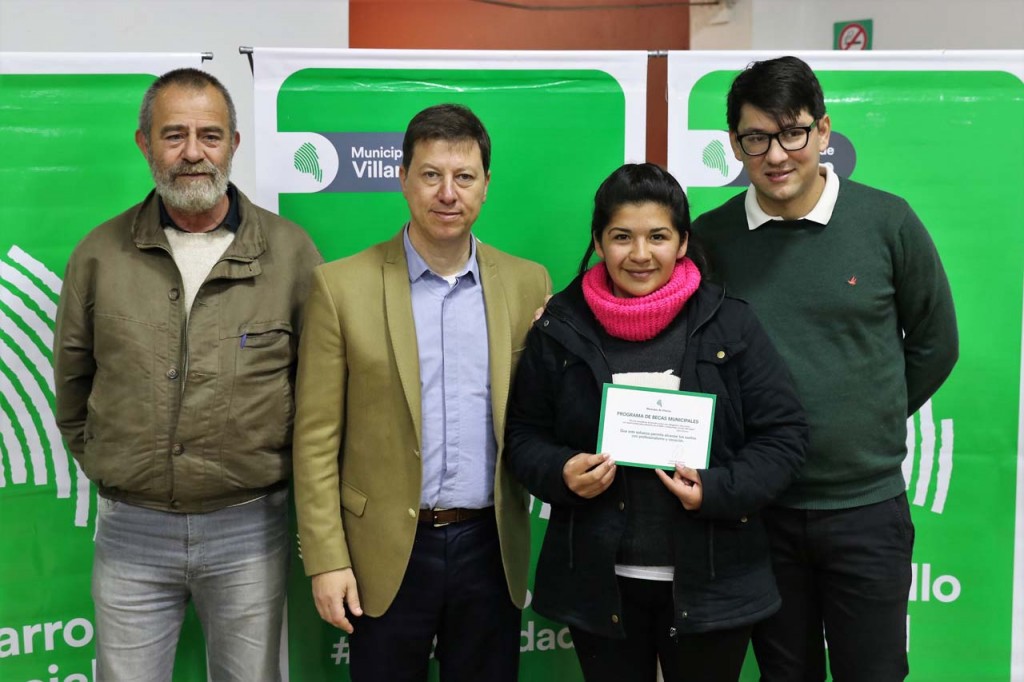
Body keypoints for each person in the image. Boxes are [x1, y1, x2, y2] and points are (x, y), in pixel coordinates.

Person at [692, 56, 959, 682]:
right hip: (761, 509)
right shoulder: (712, 238)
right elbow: (668, 329)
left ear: (823, 130)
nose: (776, 155)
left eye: (793, 133)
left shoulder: (888, 221)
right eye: (756, 138)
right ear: (734, 142)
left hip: (866, 506)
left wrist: (872, 412)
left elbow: (935, 343)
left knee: (875, 671)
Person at [52, 68, 322, 680]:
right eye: (174, 135)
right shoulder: (98, 255)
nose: (193, 153)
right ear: (144, 143)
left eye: (210, 135)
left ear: (234, 144)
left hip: (250, 529)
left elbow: (319, 395)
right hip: (131, 530)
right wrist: (114, 465)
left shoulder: (291, 254)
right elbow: (72, 387)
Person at [505, 163, 808, 682]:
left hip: (712, 581)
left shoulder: (731, 322)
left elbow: (784, 436)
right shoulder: (560, 326)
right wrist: (561, 472)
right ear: (598, 242)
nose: (640, 254)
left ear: (683, 242)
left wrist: (716, 489)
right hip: (600, 583)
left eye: (658, 237)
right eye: (622, 236)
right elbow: (523, 435)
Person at [291, 103, 551, 682]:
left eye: (464, 177)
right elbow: (314, 440)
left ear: (486, 184)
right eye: (431, 175)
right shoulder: (340, 287)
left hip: (490, 545)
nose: (447, 193)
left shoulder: (526, 283)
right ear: (403, 178)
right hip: (384, 551)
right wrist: (327, 560)